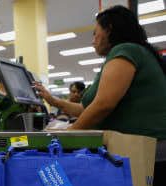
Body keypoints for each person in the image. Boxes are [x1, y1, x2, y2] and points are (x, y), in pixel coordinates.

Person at [34, 6, 166, 137]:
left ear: (109, 29)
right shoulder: (136, 51)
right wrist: (53, 101)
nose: (93, 41)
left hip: (144, 148)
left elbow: (103, 105)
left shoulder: (126, 50)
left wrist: (68, 134)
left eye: (95, 33)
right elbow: (85, 109)